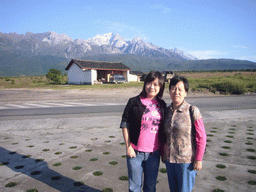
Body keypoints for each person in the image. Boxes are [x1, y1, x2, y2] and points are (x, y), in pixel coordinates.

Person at [120, 71, 166, 192]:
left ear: (160, 87)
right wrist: (128, 146)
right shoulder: (133, 102)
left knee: (150, 187)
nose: (152, 87)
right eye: (149, 83)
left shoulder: (162, 105)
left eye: (156, 84)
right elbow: (125, 123)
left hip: (154, 154)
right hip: (135, 152)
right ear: (144, 84)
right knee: (134, 187)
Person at [162, 75, 207, 192]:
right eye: (173, 88)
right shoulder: (166, 111)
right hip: (169, 160)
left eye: (180, 89)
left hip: (186, 162)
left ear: (186, 92)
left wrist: (198, 159)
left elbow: (201, 137)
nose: (176, 92)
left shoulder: (192, 110)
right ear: (169, 91)